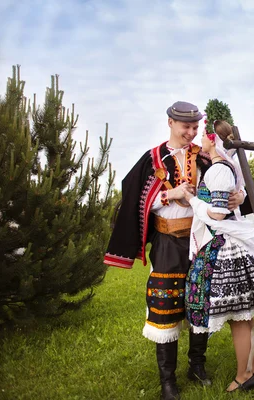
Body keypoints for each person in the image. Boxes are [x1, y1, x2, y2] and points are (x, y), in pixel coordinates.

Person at [103, 102, 246, 400]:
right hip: (167, 243)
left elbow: (229, 183)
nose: (191, 133)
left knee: (199, 300)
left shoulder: (205, 158)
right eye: (186, 127)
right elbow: (136, 199)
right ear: (170, 122)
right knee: (166, 304)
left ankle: (197, 365)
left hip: (200, 240)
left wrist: (237, 196)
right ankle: (167, 380)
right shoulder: (153, 158)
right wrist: (171, 194)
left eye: (195, 128)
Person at [181, 120, 254, 393]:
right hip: (233, 245)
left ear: (213, 140)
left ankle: (244, 375)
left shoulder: (219, 170)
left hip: (226, 249)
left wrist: (193, 201)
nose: (201, 141)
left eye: (204, 137)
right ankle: (253, 370)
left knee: (239, 318)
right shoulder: (226, 167)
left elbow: (219, 214)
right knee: (243, 315)